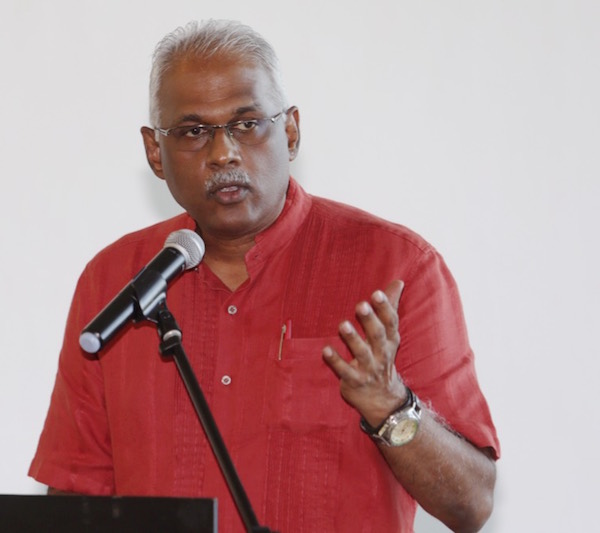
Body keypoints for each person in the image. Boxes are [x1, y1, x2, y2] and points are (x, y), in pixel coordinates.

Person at [30, 19, 499, 533]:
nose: (223, 153)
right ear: (153, 154)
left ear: (291, 131)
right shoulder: (116, 282)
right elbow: (72, 500)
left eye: (247, 123)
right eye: (192, 132)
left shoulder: (397, 268)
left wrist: (391, 408)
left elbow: (471, 504)